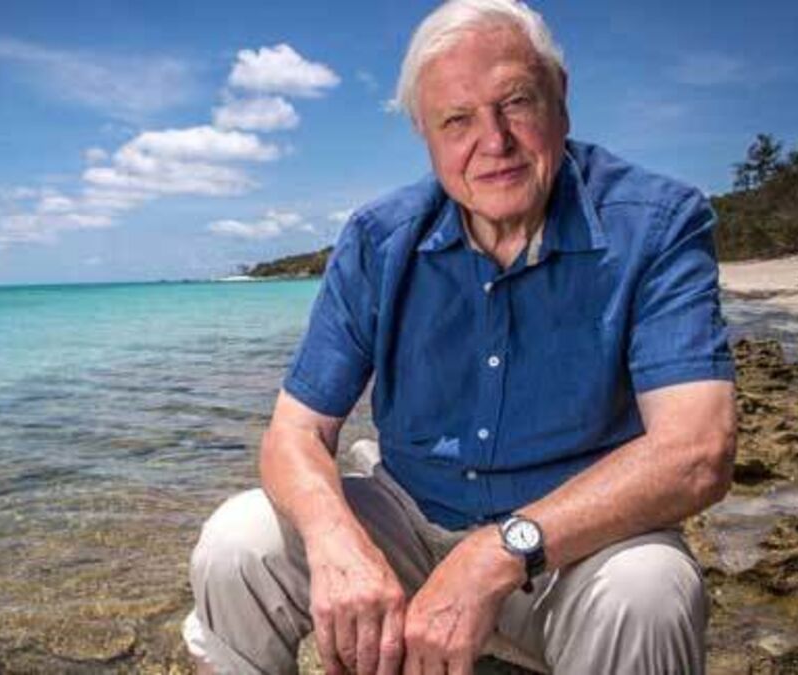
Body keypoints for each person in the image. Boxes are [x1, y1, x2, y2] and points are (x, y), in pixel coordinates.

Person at [184, 0, 737, 673]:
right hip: (411, 518)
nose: (494, 141)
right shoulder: (379, 239)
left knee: (650, 590)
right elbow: (293, 434)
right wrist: (337, 543)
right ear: (425, 133)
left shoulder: (656, 223)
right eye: (458, 120)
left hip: (572, 548)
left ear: (560, 98)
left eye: (516, 102)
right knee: (237, 544)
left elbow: (697, 451)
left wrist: (497, 552)